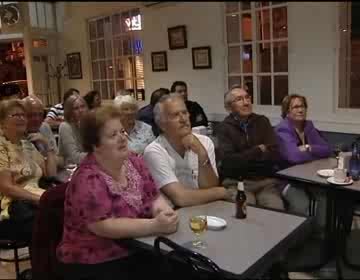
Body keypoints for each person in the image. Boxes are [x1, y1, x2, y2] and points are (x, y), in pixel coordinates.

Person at [57, 105, 178, 280]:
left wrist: (162, 211)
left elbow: (154, 197)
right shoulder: (87, 178)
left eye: (122, 131)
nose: (122, 138)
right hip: (94, 260)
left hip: (137, 248)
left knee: (182, 268)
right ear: (95, 145)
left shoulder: (136, 162)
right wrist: (155, 225)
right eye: (113, 135)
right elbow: (104, 226)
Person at [143, 93, 234, 208]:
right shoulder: (154, 151)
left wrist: (201, 153)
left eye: (185, 113)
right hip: (176, 214)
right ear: (162, 125)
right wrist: (220, 192)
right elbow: (180, 199)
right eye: (175, 115)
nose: (183, 119)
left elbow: (210, 187)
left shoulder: (204, 142)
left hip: (207, 207)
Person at [216, 85, 285, 211]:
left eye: (247, 97)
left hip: (265, 182)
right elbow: (229, 162)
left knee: (277, 210)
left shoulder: (262, 121)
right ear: (229, 107)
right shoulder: (224, 128)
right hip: (237, 183)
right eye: (239, 99)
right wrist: (257, 150)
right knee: (247, 211)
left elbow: (274, 153)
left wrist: (244, 158)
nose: (246, 102)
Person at [0, 100, 57, 242]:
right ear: (2, 122)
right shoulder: (2, 146)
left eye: (23, 115)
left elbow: (50, 174)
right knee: (56, 223)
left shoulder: (27, 144)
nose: (21, 118)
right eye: (15, 115)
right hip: (11, 208)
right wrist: (40, 199)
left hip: (34, 202)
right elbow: (7, 188)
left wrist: (47, 146)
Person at [275, 94, 332, 218]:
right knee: (302, 204)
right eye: (295, 107)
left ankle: (320, 234)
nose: (300, 110)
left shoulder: (308, 126)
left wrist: (308, 147)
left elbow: (327, 150)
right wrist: (315, 155)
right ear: (287, 111)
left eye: (302, 106)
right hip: (287, 181)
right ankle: (300, 236)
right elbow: (293, 157)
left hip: (310, 179)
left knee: (325, 198)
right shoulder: (282, 129)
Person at [22, 96, 64, 167]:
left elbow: (61, 161)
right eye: (32, 115)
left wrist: (46, 144)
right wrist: (49, 158)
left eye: (40, 114)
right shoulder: (16, 133)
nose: (37, 119)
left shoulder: (44, 127)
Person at [58, 94, 88, 165]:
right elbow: (75, 158)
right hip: (69, 169)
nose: (81, 110)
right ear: (70, 111)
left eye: (82, 106)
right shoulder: (65, 127)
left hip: (85, 165)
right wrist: (98, 155)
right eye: (76, 108)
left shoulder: (85, 124)